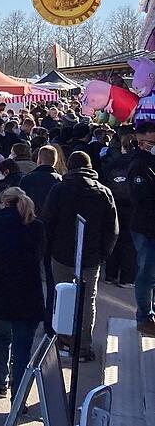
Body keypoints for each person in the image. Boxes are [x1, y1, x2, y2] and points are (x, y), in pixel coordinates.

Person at [42, 151, 118, 361]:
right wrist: (103, 254)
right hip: (91, 256)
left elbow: (48, 221)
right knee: (87, 301)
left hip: (62, 254)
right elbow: (112, 228)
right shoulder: (103, 192)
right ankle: (83, 346)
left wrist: (47, 250)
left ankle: (63, 339)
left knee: (62, 296)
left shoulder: (59, 190)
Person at [0, 188, 45, 401]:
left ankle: (1, 381)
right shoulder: (36, 227)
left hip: (0, 292)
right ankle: (18, 398)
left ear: (4, 203)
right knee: (23, 350)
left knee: (2, 339)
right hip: (28, 295)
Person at [127, 121, 155, 336]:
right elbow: (141, 198)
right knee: (146, 274)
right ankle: (144, 317)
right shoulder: (139, 164)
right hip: (146, 228)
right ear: (141, 140)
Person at [103, 132, 137, 288]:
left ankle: (110, 274)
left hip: (114, 204)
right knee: (129, 242)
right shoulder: (138, 163)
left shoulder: (114, 163)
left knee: (114, 238)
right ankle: (127, 278)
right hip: (133, 206)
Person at [19, 145, 62, 212]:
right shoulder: (60, 180)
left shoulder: (26, 179)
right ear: (55, 161)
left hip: (31, 218)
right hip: (52, 220)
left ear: (39, 160)